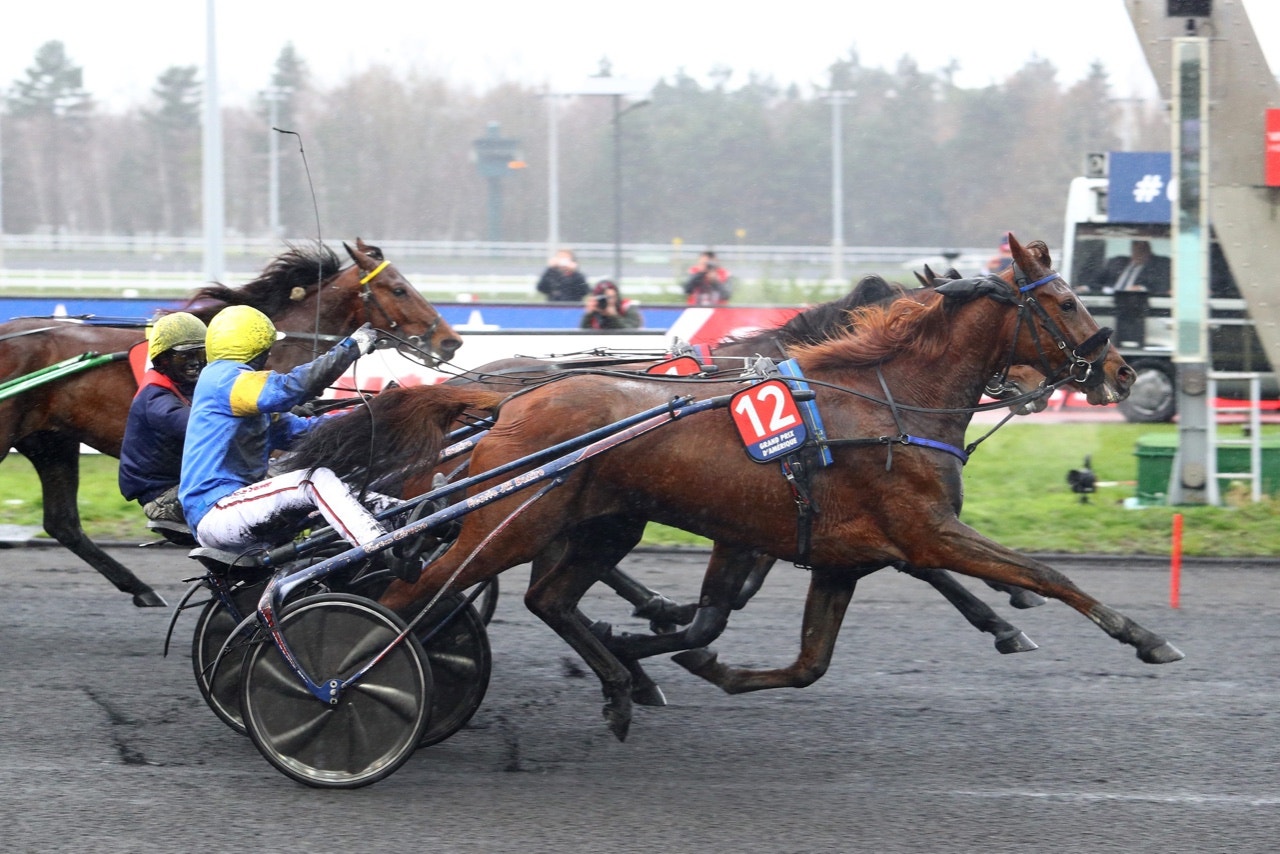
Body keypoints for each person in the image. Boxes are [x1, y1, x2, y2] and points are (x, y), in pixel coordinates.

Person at [179, 305, 389, 554]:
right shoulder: (222, 378)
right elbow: (288, 389)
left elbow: (306, 433)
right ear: (257, 349)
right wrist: (350, 349)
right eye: (267, 349)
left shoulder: (245, 396)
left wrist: (373, 414)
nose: (269, 357)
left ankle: (403, 516)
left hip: (238, 509)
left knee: (343, 490)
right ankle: (381, 546)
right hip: (218, 511)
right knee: (315, 480)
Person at [118, 312, 208, 526]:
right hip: (163, 498)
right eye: (184, 356)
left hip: (185, 485)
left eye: (200, 353)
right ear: (163, 360)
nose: (195, 362)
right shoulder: (155, 398)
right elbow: (202, 428)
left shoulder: (186, 385)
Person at [1101, 240, 1171, 295]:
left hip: (1133, 303)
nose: (1138, 251)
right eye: (1135, 246)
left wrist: (1142, 289)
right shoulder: (1117, 262)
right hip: (1108, 299)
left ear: (1149, 249)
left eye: (1142, 249)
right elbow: (1097, 281)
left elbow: (1161, 287)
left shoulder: (1158, 266)